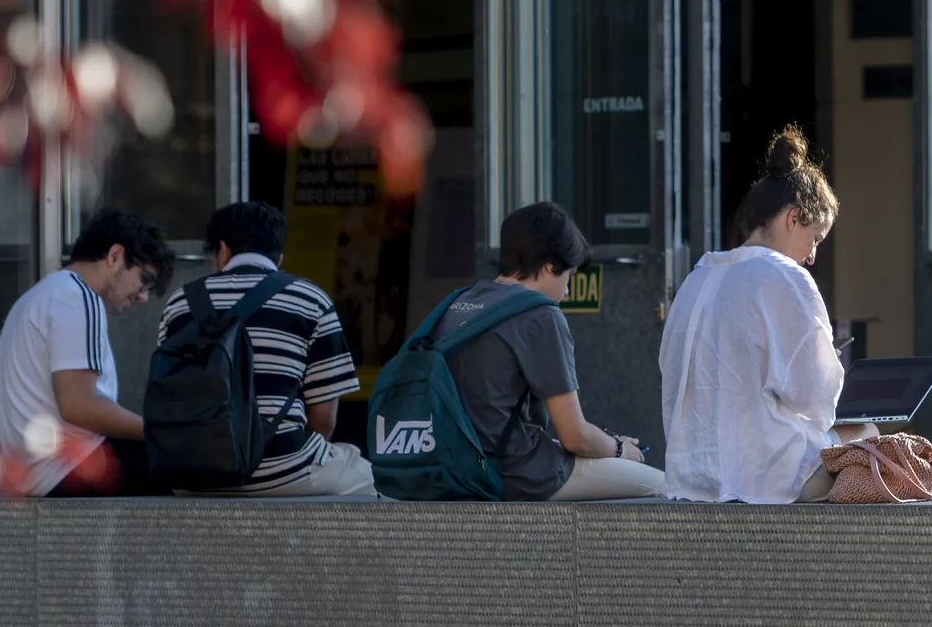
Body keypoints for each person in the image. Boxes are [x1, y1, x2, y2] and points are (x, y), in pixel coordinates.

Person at [660, 126, 876, 504]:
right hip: (768, 474)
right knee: (870, 431)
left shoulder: (697, 279)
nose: (812, 256)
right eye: (815, 238)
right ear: (793, 219)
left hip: (691, 474)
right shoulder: (785, 277)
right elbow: (817, 399)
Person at [429, 201, 665, 501]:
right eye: (569, 276)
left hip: (453, 465)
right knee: (664, 488)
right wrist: (619, 450)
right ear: (550, 265)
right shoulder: (539, 314)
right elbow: (575, 436)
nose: (566, 292)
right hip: (514, 474)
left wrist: (607, 442)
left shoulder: (458, 303)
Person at [155, 201, 375, 497]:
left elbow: (168, 398)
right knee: (363, 472)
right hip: (285, 470)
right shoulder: (311, 300)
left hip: (192, 477)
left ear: (222, 251)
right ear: (279, 257)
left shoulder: (179, 304)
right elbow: (324, 419)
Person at [0, 208, 175, 497]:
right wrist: (160, 430)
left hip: (39, 475)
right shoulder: (77, 296)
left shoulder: (41, 294)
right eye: (145, 280)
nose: (142, 297)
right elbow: (79, 405)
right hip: (67, 471)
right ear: (115, 256)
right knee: (187, 465)